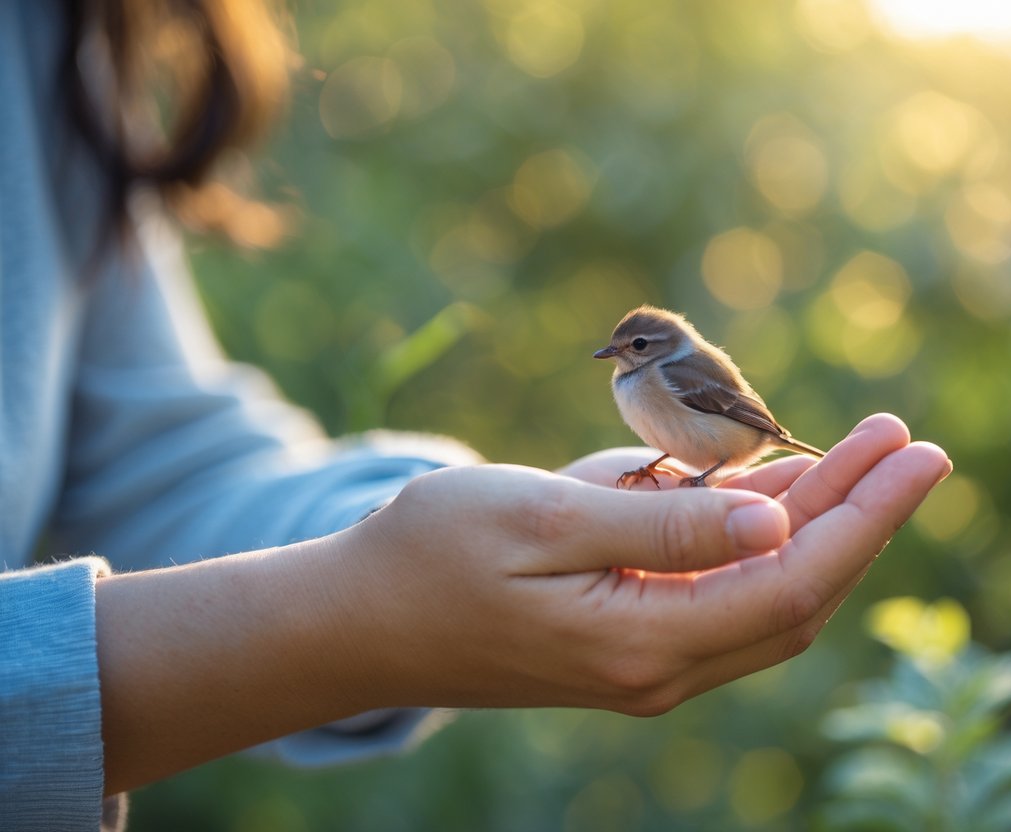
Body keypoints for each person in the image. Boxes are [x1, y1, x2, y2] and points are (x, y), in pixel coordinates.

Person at [0, 1, 952, 830]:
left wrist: (410, 521)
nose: (617, 364)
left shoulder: (55, 34)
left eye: (629, 353)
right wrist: (364, 609)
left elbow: (163, 460)